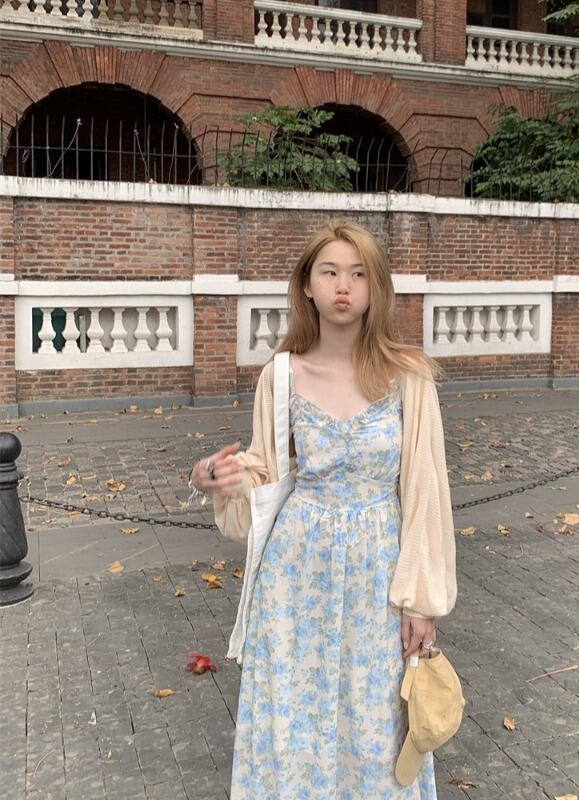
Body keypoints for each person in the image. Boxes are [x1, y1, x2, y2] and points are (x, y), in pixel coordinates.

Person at [188, 218, 457, 799]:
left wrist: (422, 600)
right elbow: (264, 472)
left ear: (375, 287)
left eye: (358, 274)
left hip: (379, 577)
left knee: (377, 724)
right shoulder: (281, 375)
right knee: (294, 719)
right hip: (296, 576)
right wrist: (218, 479)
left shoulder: (409, 377)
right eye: (330, 272)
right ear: (307, 286)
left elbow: (425, 492)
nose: (343, 286)